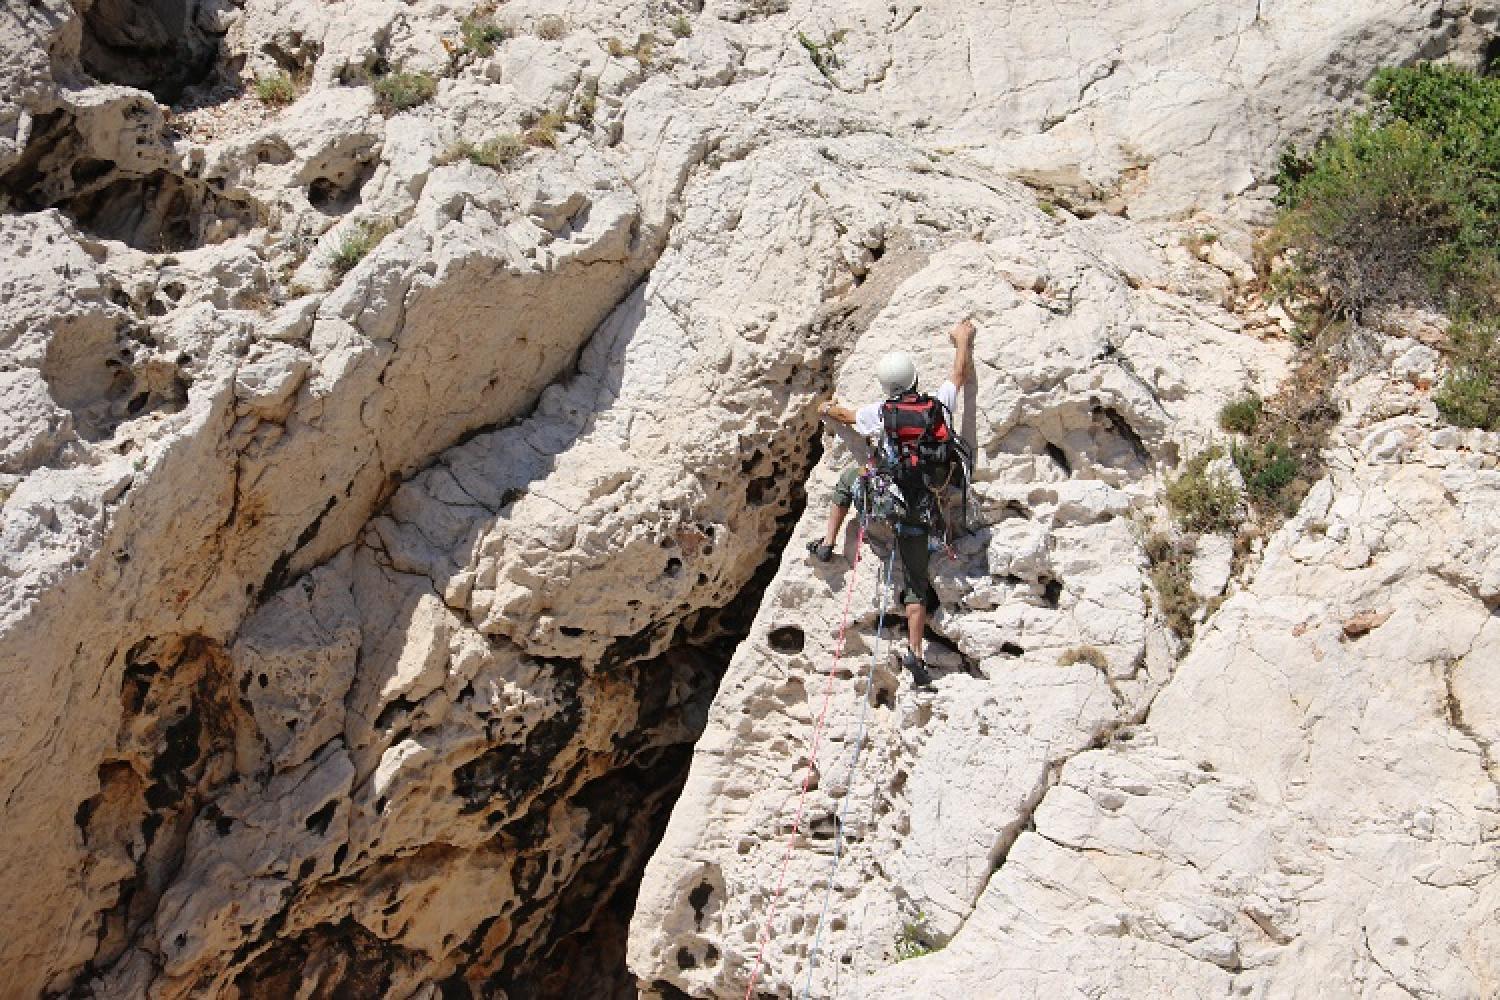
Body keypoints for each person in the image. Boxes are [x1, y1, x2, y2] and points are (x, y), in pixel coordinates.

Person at [808, 318, 975, 690]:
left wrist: (827, 408)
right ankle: (914, 652)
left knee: (848, 482)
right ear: (915, 380)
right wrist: (962, 340)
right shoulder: (936, 408)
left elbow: (849, 418)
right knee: (915, 582)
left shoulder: (881, 413)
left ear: (887, 387)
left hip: (885, 500)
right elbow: (959, 377)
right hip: (922, 508)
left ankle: (827, 543)